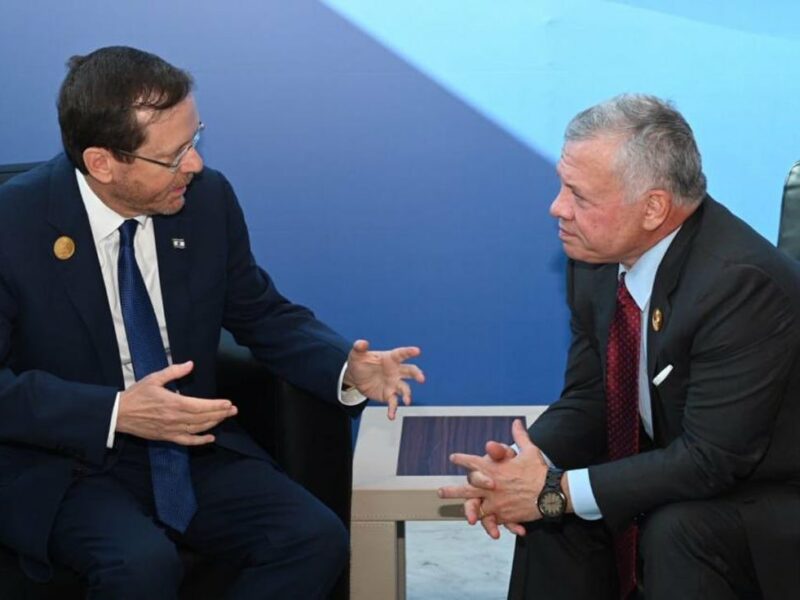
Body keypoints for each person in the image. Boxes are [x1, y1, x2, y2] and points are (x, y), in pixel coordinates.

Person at [0, 46, 424, 599]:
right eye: (174, 156)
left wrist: (347, 366)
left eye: (195, 140)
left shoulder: (207, 201)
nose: (194, 165)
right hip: (64, 461)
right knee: (141, 565)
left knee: (312, 537)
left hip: (186, 448)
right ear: (103, 162)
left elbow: (257, 309)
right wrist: (117, 411)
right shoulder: (14, 224)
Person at [439, 94, 800, 600]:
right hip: (680, 467)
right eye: (562, 185)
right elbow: (591, 398)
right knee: (555, 517)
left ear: (653, 207)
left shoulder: (739, 285)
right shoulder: (593, 256)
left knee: (674, 528)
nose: (557, 208)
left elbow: (710, 460)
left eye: (579, 195)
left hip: (768, 496)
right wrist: (524, 469)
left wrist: (554, 492)